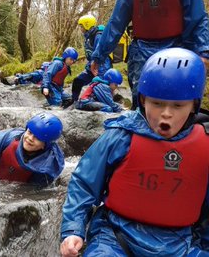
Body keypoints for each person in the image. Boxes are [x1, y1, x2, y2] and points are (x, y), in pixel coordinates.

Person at [60, 48, 209, 257]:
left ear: (194, 106)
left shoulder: (205, 145)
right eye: (157, 103)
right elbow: (84, 183)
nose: (166, 113)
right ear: (142, 100)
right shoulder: (122, 135)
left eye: (178, 105)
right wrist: (73, 230)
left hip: (180, 245)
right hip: (115, 237)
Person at [0, 112, 65, 186]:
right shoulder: (9, 137)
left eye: (37, 138)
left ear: (45, 145)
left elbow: (36, 188)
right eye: (29, 132)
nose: (30, 139)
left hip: (9, 180)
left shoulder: (50, 164)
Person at [70, 16, 103, 100]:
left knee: (97, 90)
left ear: (87, 25)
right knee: (77, 81)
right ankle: (74, 101)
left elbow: (99, 54)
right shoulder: (88, 37)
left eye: (81, 26)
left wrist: (96, 70)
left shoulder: (98, 36)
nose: (81, 29)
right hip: (91, 66)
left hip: (101, 67)